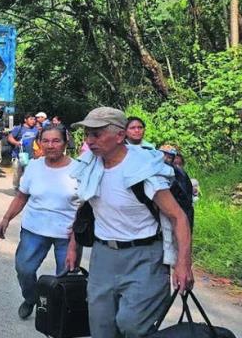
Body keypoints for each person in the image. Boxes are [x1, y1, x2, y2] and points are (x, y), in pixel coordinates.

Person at [67, 107, 193, 338]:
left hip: (145, 256)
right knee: (101, 328)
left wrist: (183, 263)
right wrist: (74, 247)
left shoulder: (143, 169)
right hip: (104, 255)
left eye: (97, 134)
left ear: (119, 135)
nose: (90, 140)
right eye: (87, 134)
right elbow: (85, 208)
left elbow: (178, 216)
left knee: (132, 325)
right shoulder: (89, 166)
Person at [0, 125, 79, 320]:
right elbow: (22, 196)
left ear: (65, 143)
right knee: (24, 269)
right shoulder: (34, 166)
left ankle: (57, 314)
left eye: (56, 141)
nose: (50, 145)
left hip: (66, 234)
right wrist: (7, 217)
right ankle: (31, 298)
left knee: (65, 278)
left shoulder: (79, 170)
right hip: (34, 229)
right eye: (46, 141)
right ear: (39, 143)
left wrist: (76, 241)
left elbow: (86, 209)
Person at [7, 113, 39, 191]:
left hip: (31, 156)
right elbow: (10, 137)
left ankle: (26, 190)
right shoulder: (19, 128)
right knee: (17, 174)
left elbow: (38, 140)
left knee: (29, 174)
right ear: (25, 120)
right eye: (31, 119)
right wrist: (16, 143)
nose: (33, 121)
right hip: (19, 155)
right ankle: (16, 188)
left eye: (34, 119)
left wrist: (39, 150)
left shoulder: (35, 129)